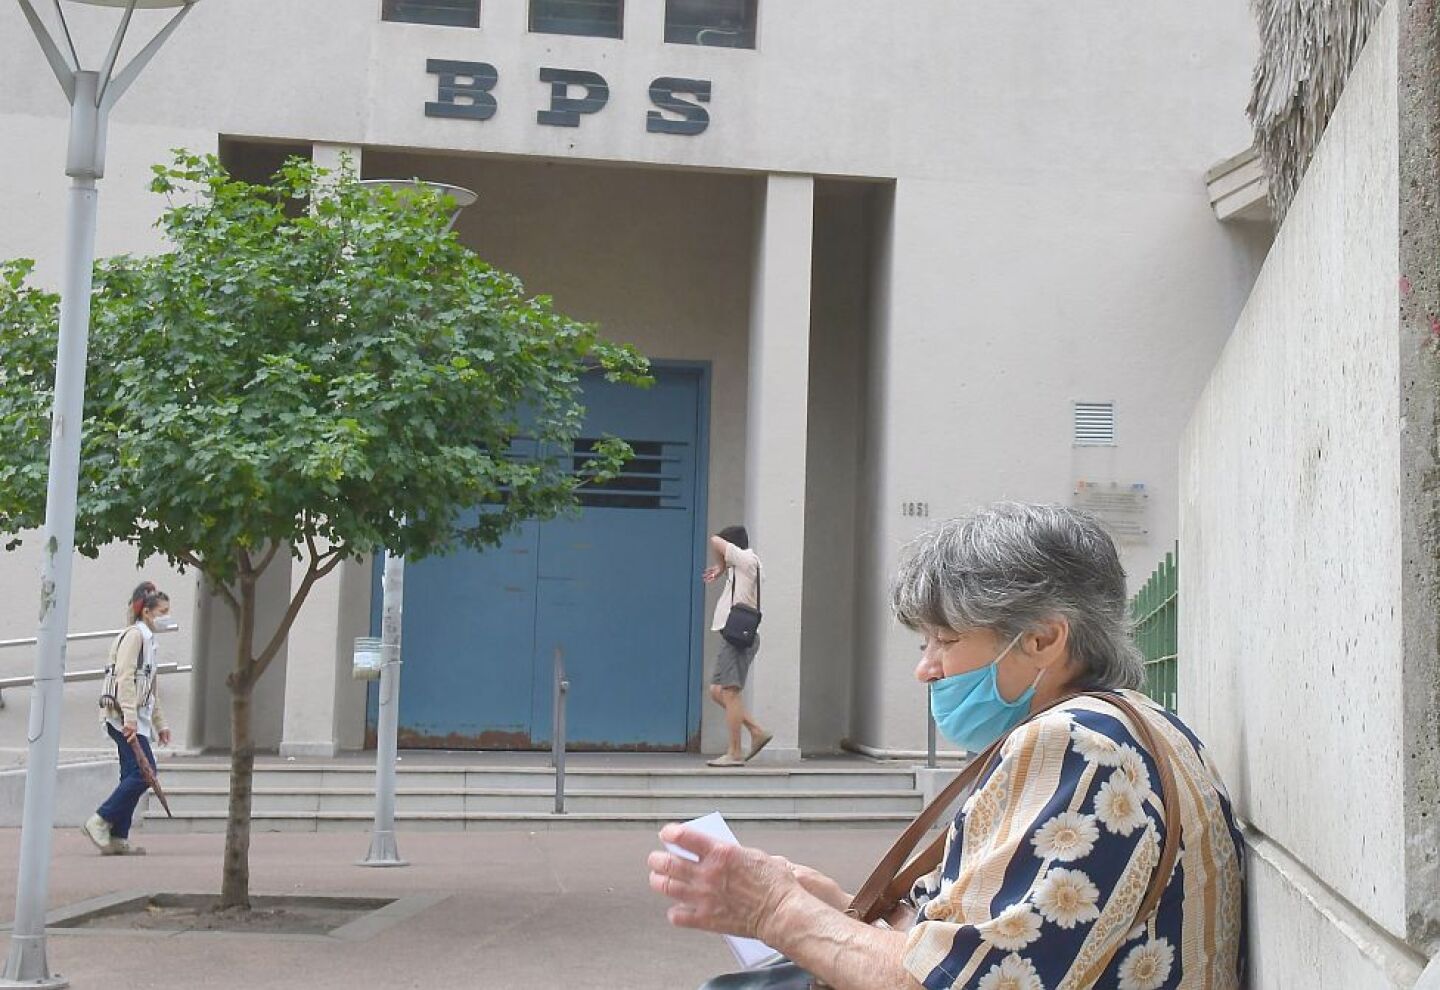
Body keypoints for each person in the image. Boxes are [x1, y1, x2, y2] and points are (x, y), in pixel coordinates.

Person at [651, 504, 1245, 988]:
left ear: (1042, 638)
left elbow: (946, 983)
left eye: (945, 639)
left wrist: (777, 910)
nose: (926, 669)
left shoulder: (1078, 745)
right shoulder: (1134, 724)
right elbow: (987, 936)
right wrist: (835, 906)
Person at [83, 583, 174, 856]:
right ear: (146, 612)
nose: (166, 617)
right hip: (122, 717)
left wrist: (160, 724)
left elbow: (149, 686)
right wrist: (131, 720)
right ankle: (100, 820)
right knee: (145, 774)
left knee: (131, 775)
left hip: (134, 719)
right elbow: (125, 676)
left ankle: (118, 836)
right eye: (163, 612)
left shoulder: (148, 640)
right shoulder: (135, 636)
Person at [701, 525, 772, 767]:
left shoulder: (746, 560)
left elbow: (714, 540)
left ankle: (734, 752)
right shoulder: (741, 567)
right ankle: (756, 730)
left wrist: (720, 566)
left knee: (730, 692)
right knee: (716, 691)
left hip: (738, 638)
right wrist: (724, 568)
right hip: (731, 636)